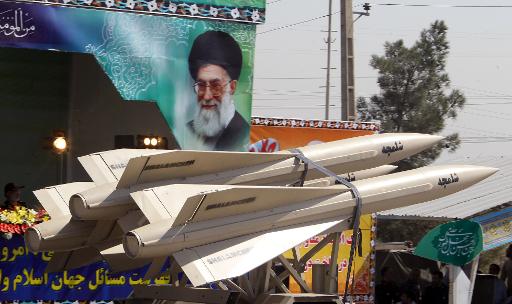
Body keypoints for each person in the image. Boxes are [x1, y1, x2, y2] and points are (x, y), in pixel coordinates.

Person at [187, 30, 249, 151]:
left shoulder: (243, 135)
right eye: (201, 85)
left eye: (216, 86)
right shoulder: (187, 131)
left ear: (232, 87)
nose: (207, 96)